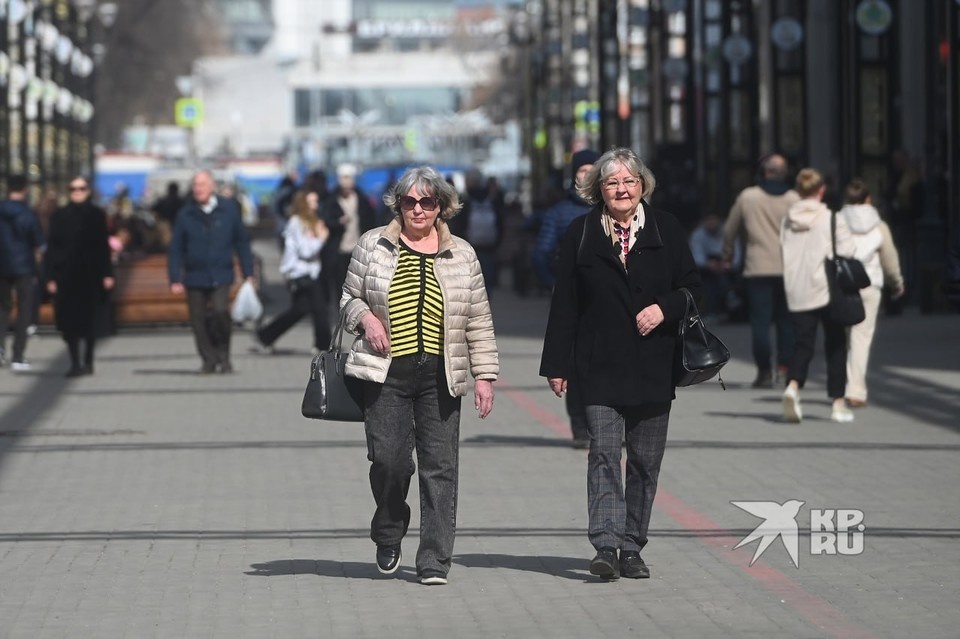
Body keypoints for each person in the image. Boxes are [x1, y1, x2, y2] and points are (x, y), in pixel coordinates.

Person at [539, 147, 701, 580]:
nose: (622, 189)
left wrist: (664, 308)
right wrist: (558, 363)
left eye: (629, 181)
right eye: (612, 182)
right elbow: (566, 304)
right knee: (605, 456)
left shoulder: (666, 227)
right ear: (598, 190)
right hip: (599, 365)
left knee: (646, 461)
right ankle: (606, 545)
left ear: (642, 185)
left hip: (653, 364)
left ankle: (633, 546)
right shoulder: (582, 231)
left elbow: (693, 287)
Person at [340, 166, 498, 586]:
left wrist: (485, 375)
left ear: (442, 206)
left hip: (441, 375)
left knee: (440, 468)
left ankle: (434, 559)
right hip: (385, 373)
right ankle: (389, 530)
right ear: (398, 204)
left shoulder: (463, 254)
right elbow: (348, 297)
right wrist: (366, 320)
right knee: (389, 461)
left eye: (427, 201)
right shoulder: (373, 244)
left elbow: (478, 319)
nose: (417, 209)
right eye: (409, 201)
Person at [531, 148, 599, 448]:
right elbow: (542, 254)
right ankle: (580, 426)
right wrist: (555, 286)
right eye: (581, 171)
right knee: (573, 364)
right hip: (573, 299)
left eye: (591, 170)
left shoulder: (612, 208)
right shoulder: (559, 213)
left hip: (610, 301)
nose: (586, 176)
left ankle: (609, 424)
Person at [780, 168, 857, 424]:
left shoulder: (787, 220)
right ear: (821, 190)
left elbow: (783, 249)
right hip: (827, 289)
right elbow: (848, 250)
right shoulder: (832, 218)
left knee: (802, 344)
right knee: (835, 345)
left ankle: (792, 386)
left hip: (796, 289)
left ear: (799, 191)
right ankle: (837, 403)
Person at [723, 153, 799, 388]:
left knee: (760, 322)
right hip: (789, 267)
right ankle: (784, 369)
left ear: (764, 172)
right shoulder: (794, 199)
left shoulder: (749, 197)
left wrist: (728, 255)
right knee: (787, 323)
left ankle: (764, 371)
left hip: (757, 268)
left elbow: (730, 229)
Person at [168, 170, 255, 374]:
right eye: (196, 185)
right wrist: (174, 277)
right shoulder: (186, 213)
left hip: (220, 273)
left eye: (202, 185)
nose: (198, 189)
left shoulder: (228, 210)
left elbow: (241, 242)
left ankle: (223, 355)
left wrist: (248, 271)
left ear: (212, 186)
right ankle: (208, 359)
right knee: (198, 320)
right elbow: (176, 248)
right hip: (194, 275)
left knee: (220, 312)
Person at [838, 179, 905, 408]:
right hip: (870, 284)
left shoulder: (837, 222)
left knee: (846, 336)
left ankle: (843, 385)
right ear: (868, 199)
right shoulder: (879, 225)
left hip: (843, 284)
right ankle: (856, 389)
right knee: (862, 337)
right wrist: (896, 282)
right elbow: (889, 258)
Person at [43, 176, 115, 377]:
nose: (77, 191)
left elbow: (103, 246)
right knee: (70, 322)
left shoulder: (97, 215)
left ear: (88, 191)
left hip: (91, 275)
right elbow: (52, 248)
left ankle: (89, 360)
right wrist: (49, 277)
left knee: (91, 321)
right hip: (66, 276)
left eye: (81, 188)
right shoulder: (59, 216)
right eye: (73, 188)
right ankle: (75, 363)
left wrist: (107, 274)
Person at [254, 190, 331, 353]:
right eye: (312, 202)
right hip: (300, 273)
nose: (316, 205)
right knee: (317, 308)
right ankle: (323, 345)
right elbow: (305, 251)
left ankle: (266, 335)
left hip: (312, 272)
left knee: (302, 309)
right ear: (304, 204)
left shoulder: (312, 221)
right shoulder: (297, 223)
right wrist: (321, 238)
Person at [0, 174, 45, 371]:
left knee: (2, 308)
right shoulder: (28, 213)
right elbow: (38, 241)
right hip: (24, 267)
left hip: (1, 265)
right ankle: (18, 356)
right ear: (25, 189)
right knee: (24, 310)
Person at [322, 163, 376, 301]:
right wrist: (338, 222)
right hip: (339, 250)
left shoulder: (362, 200)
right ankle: (341, 317)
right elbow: (325, 220)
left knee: (359, 288)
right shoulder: (331, 200)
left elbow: (371, 221)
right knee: (340, 288)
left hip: (358, 251)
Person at [450, 168, 504, 294]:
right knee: (486, 281)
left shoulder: (466, 202)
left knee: (471, 281)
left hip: (471, 247)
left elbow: (459, 225)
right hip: (489, 247)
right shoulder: (491, 200)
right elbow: (500, 224)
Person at [689, 211, 741, 319]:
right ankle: (712, 309)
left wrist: (727, 264)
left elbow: (737, 254)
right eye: (708, 220)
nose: (711, 223)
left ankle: (728, 305)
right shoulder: (698, 235)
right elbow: (696, 256)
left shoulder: (729, 232)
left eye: (713, 220)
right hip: (706, 268)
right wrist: (709, 264)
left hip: (727, 266)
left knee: (725, 279)